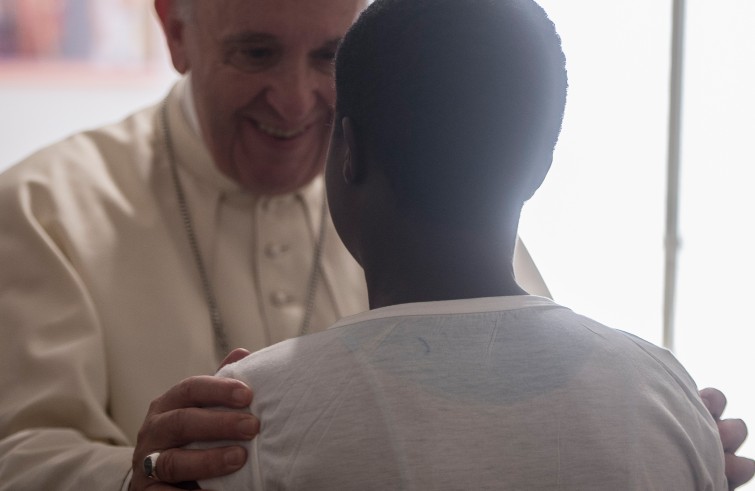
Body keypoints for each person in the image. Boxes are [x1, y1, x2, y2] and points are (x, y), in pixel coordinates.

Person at [0, 1, 751, 490]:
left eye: (329, 57)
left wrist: (646, 448)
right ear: (174, 30)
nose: (295, 103)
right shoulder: (42, 208)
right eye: (257, 54)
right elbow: (15, 451)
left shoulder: (417, 184)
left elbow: (511, 386)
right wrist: (142, 479)